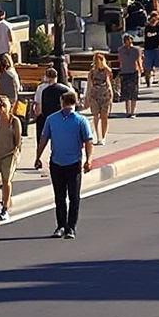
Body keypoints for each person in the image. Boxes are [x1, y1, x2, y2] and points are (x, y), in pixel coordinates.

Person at [40, 96, 96, 239]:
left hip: (73, 163)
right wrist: (38, 157)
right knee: (59, 196)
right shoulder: (52, 119)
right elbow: (44, 138)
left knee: (73, 197)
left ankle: (71, 227)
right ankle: (61, 226)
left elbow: (88, 141)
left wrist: (88, 160)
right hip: (56, 162)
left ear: (63, 103)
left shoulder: (80, 120)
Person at [117, 33, 143, 118]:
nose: (127, 42)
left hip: (133, 71)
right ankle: (128, 111)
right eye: (125, 40)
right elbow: (120, 60)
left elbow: (139, 60)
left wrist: (140, 70)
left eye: (129, 39)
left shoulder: (136, 50)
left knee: (133, 93)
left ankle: (133, 111)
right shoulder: (120, 50)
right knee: (125, 93)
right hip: (124, 72)